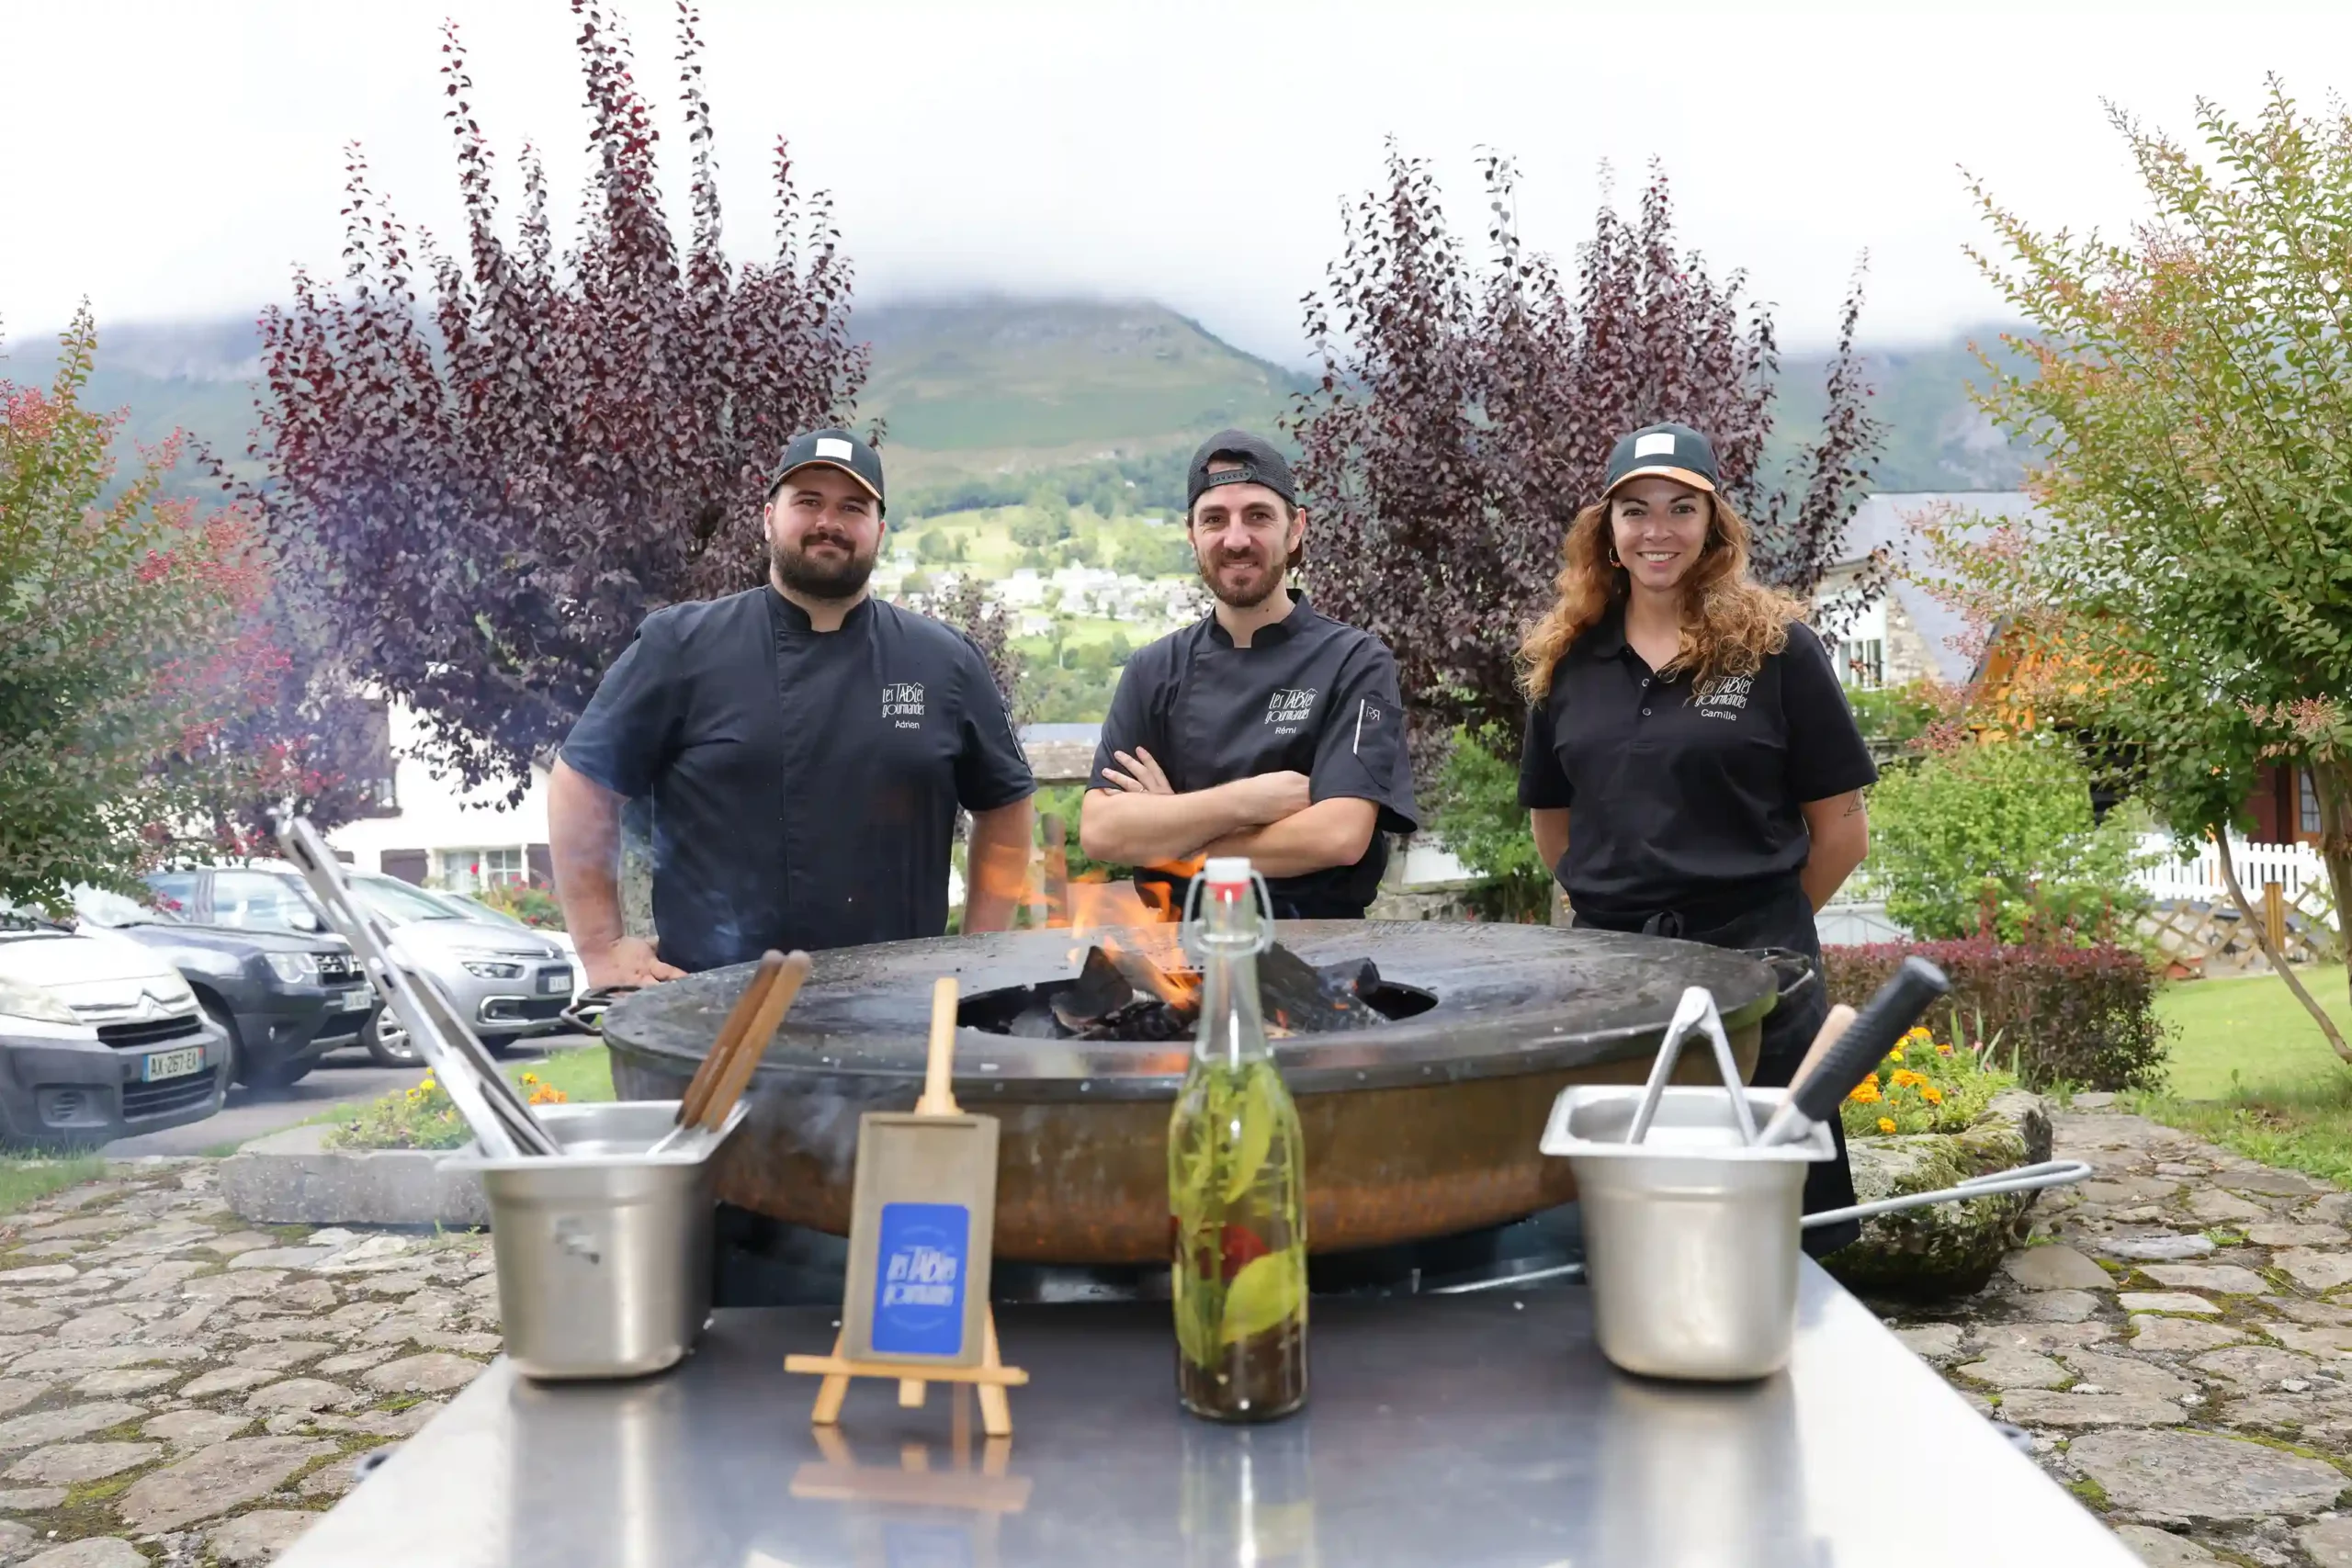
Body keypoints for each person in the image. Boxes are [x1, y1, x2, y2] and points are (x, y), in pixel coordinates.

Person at [1516, 422, 1875, 1255]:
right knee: (1630, 1219)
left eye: (1682, 508)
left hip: (1762, 982)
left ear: (1715, 525)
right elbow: (1552, 824)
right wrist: (1616, 911)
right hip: (1617, 982)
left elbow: (1842, 832)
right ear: (1604, 529)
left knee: (1788, 1228)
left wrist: (1762, 928)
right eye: (1635, 510)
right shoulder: (1565, 664)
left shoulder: (1779, 651)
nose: (1658, 530)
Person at [550, 428, 1036, 989]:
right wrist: (602, 947)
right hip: (711, 1008)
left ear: (878, 531)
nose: (828, 521)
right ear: (768, 518)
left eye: (852, 507)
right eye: (808, 501)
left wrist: (980, 955)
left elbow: (1005, 804)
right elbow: (581, 783)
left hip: (899, 1011)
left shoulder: (945, 660)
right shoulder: (680, 646)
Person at [1080, 430, 1417, 919]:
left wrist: (1174, 839)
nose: (1236, 539)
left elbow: (1339, 835)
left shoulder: (1355, 661)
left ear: (1295, 528)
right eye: (1214, 519)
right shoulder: (1152, 670)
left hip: (1321, 957)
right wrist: (1249, 801)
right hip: (1177, 963)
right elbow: (1103, 831)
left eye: (1258, 515)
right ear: (1191, 533)